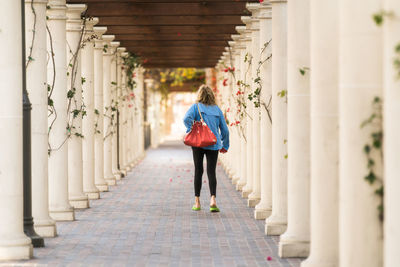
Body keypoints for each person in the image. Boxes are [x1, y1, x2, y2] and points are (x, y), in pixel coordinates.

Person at [183, 85, 230, 212]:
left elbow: (186, 119)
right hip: (213, 144)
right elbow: (225, 130)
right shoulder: (217, 110)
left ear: (199, 95)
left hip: (198, 144)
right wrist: (225, 145)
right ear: (211, 95)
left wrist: (191, 129)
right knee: (211, 171)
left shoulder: (195, 107)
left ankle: (197, 202)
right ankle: (213, 199)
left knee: (198, 170)